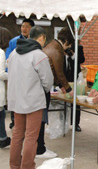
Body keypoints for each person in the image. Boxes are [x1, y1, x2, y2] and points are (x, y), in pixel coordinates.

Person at [7, 26, 54, 169]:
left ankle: (14, 166)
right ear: (42, 38)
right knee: (31, 137)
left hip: (16, 100)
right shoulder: (39, 55)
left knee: (17, 135)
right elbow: (48, 81)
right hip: (33, 102)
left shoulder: (14, 53)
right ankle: (27, 166)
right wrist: (42, 90)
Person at [36, 27, 74, 158]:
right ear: (67, 41)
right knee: (40, 119)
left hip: (38, 87)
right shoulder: (57, 50)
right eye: (69, 44)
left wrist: (60, 85)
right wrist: (68, 89)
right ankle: (39, 149)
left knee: (37, 119)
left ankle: (38, 146)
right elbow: (59, 73)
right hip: (42, 88)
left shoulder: (50, 45)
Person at [6, 18, 35, 129]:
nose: (24, 28)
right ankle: (14, 121)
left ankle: (26, 120)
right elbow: (8, 59)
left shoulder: (35, 41)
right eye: (23, 26)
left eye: (27, 26)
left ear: (32, 28)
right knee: (15, 97)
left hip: (29, 76)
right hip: (16, 75)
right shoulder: (14, 41)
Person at [64, 43, 85, 132]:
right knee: (63, 100)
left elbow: (82, 59)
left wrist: (73, 55)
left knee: (76, 101)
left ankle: (76, 123)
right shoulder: (61, 47)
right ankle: (63, 123)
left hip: (75, 76)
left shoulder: (78, 47)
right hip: (64, 76)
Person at [0, 27, 12, 148]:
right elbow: (1, 73)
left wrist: (8, 63)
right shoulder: (1, 52)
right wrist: (13, 75)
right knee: (1, 113)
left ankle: (3, 138)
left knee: (2, 114)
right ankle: (3, 138)